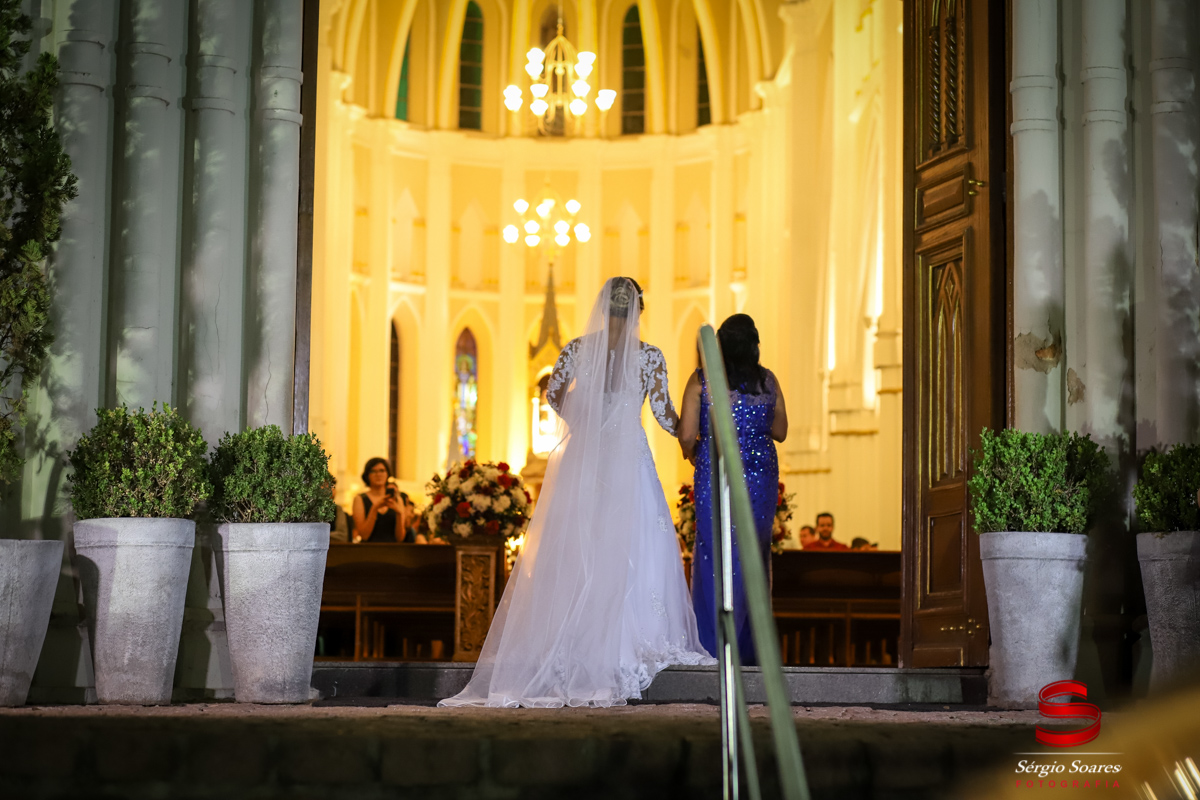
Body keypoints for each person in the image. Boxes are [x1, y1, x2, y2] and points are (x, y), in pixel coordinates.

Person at [439, 277, 713, 708]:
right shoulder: (649, 356)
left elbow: (552, 394)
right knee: (632, 545)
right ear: (639, 310)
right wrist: (692, 439)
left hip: (586, 458)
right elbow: (664, 415)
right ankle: (625, 641)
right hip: (629, 456)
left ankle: (576, 642)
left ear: (603, 308)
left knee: (582, 546)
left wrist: (583, 422)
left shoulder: (577, 350)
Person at [678, 313, 788, 666]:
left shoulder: (701, 381)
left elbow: (686, 434)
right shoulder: (767, 381)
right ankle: (748, 649)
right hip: (760, 476)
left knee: (714, 552)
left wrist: (692, 452)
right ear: (755, 346)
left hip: (716, 472)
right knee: (753, 553)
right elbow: (781, 431)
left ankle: (712, 646)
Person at [352, 458, 409, 543]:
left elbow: (400, 538)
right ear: (367, 475)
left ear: (387, 474)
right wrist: (374, 508)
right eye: (373, 471)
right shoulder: (360, 499)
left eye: (382, 471)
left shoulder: (397, 499)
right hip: (368, 548)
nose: (378, 474)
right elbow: (364, 535)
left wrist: (399, 514)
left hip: (392, 548)